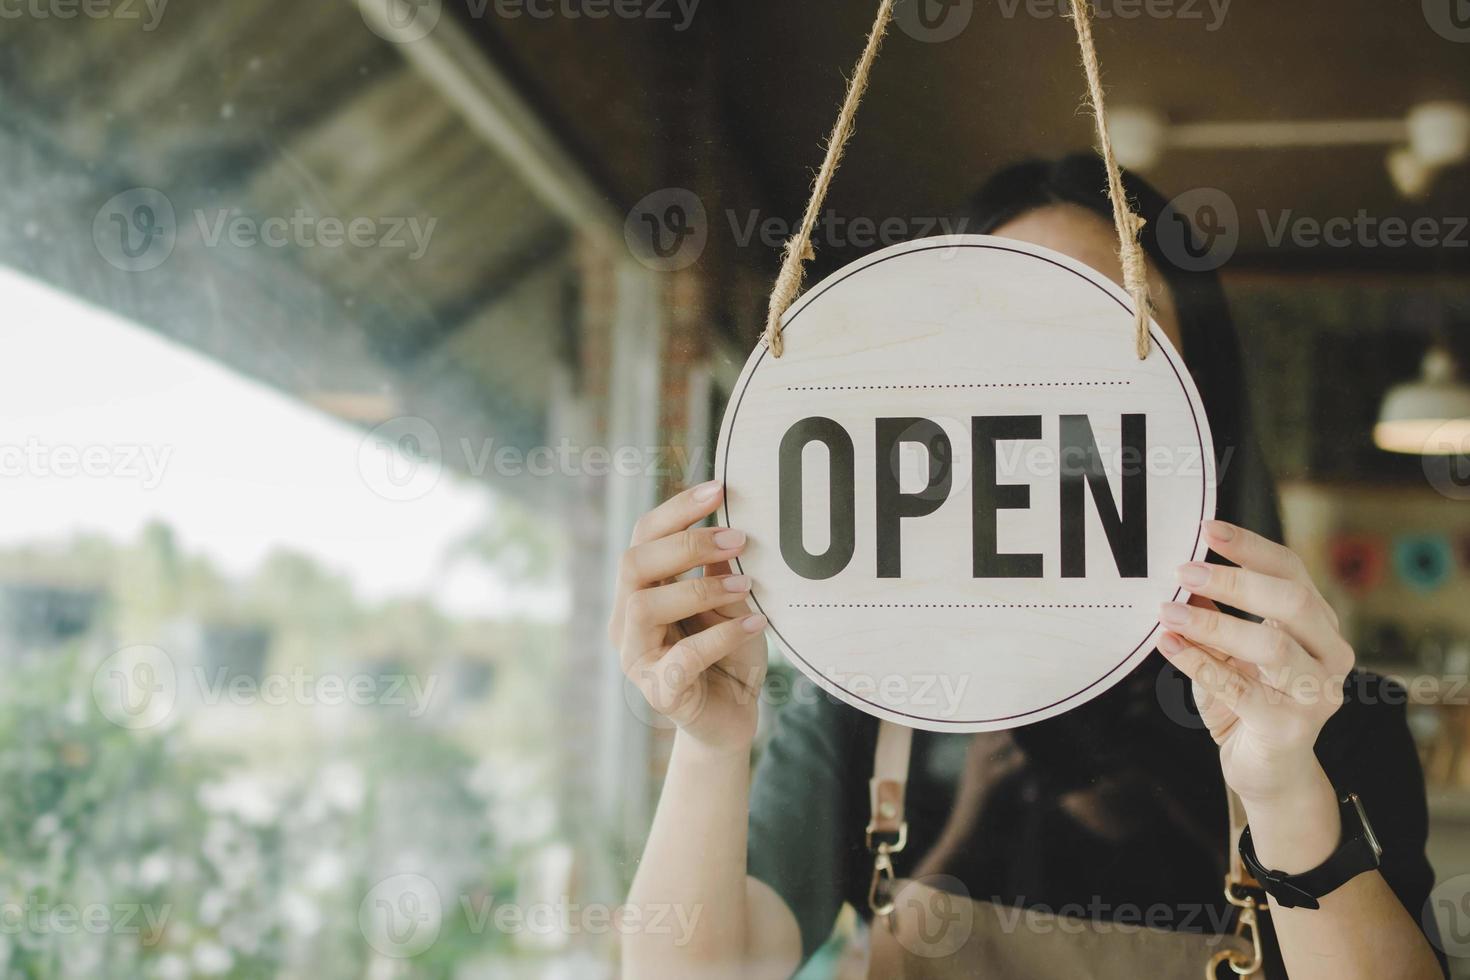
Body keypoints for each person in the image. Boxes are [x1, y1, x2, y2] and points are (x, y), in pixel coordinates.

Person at [613, 154, 1447, 978]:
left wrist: (1285, 792)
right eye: (1006, 317)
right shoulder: (869, 691)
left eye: (1111, 320)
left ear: (1199, 390)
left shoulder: (1325, 711)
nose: (1054, 370)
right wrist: (709, 745)